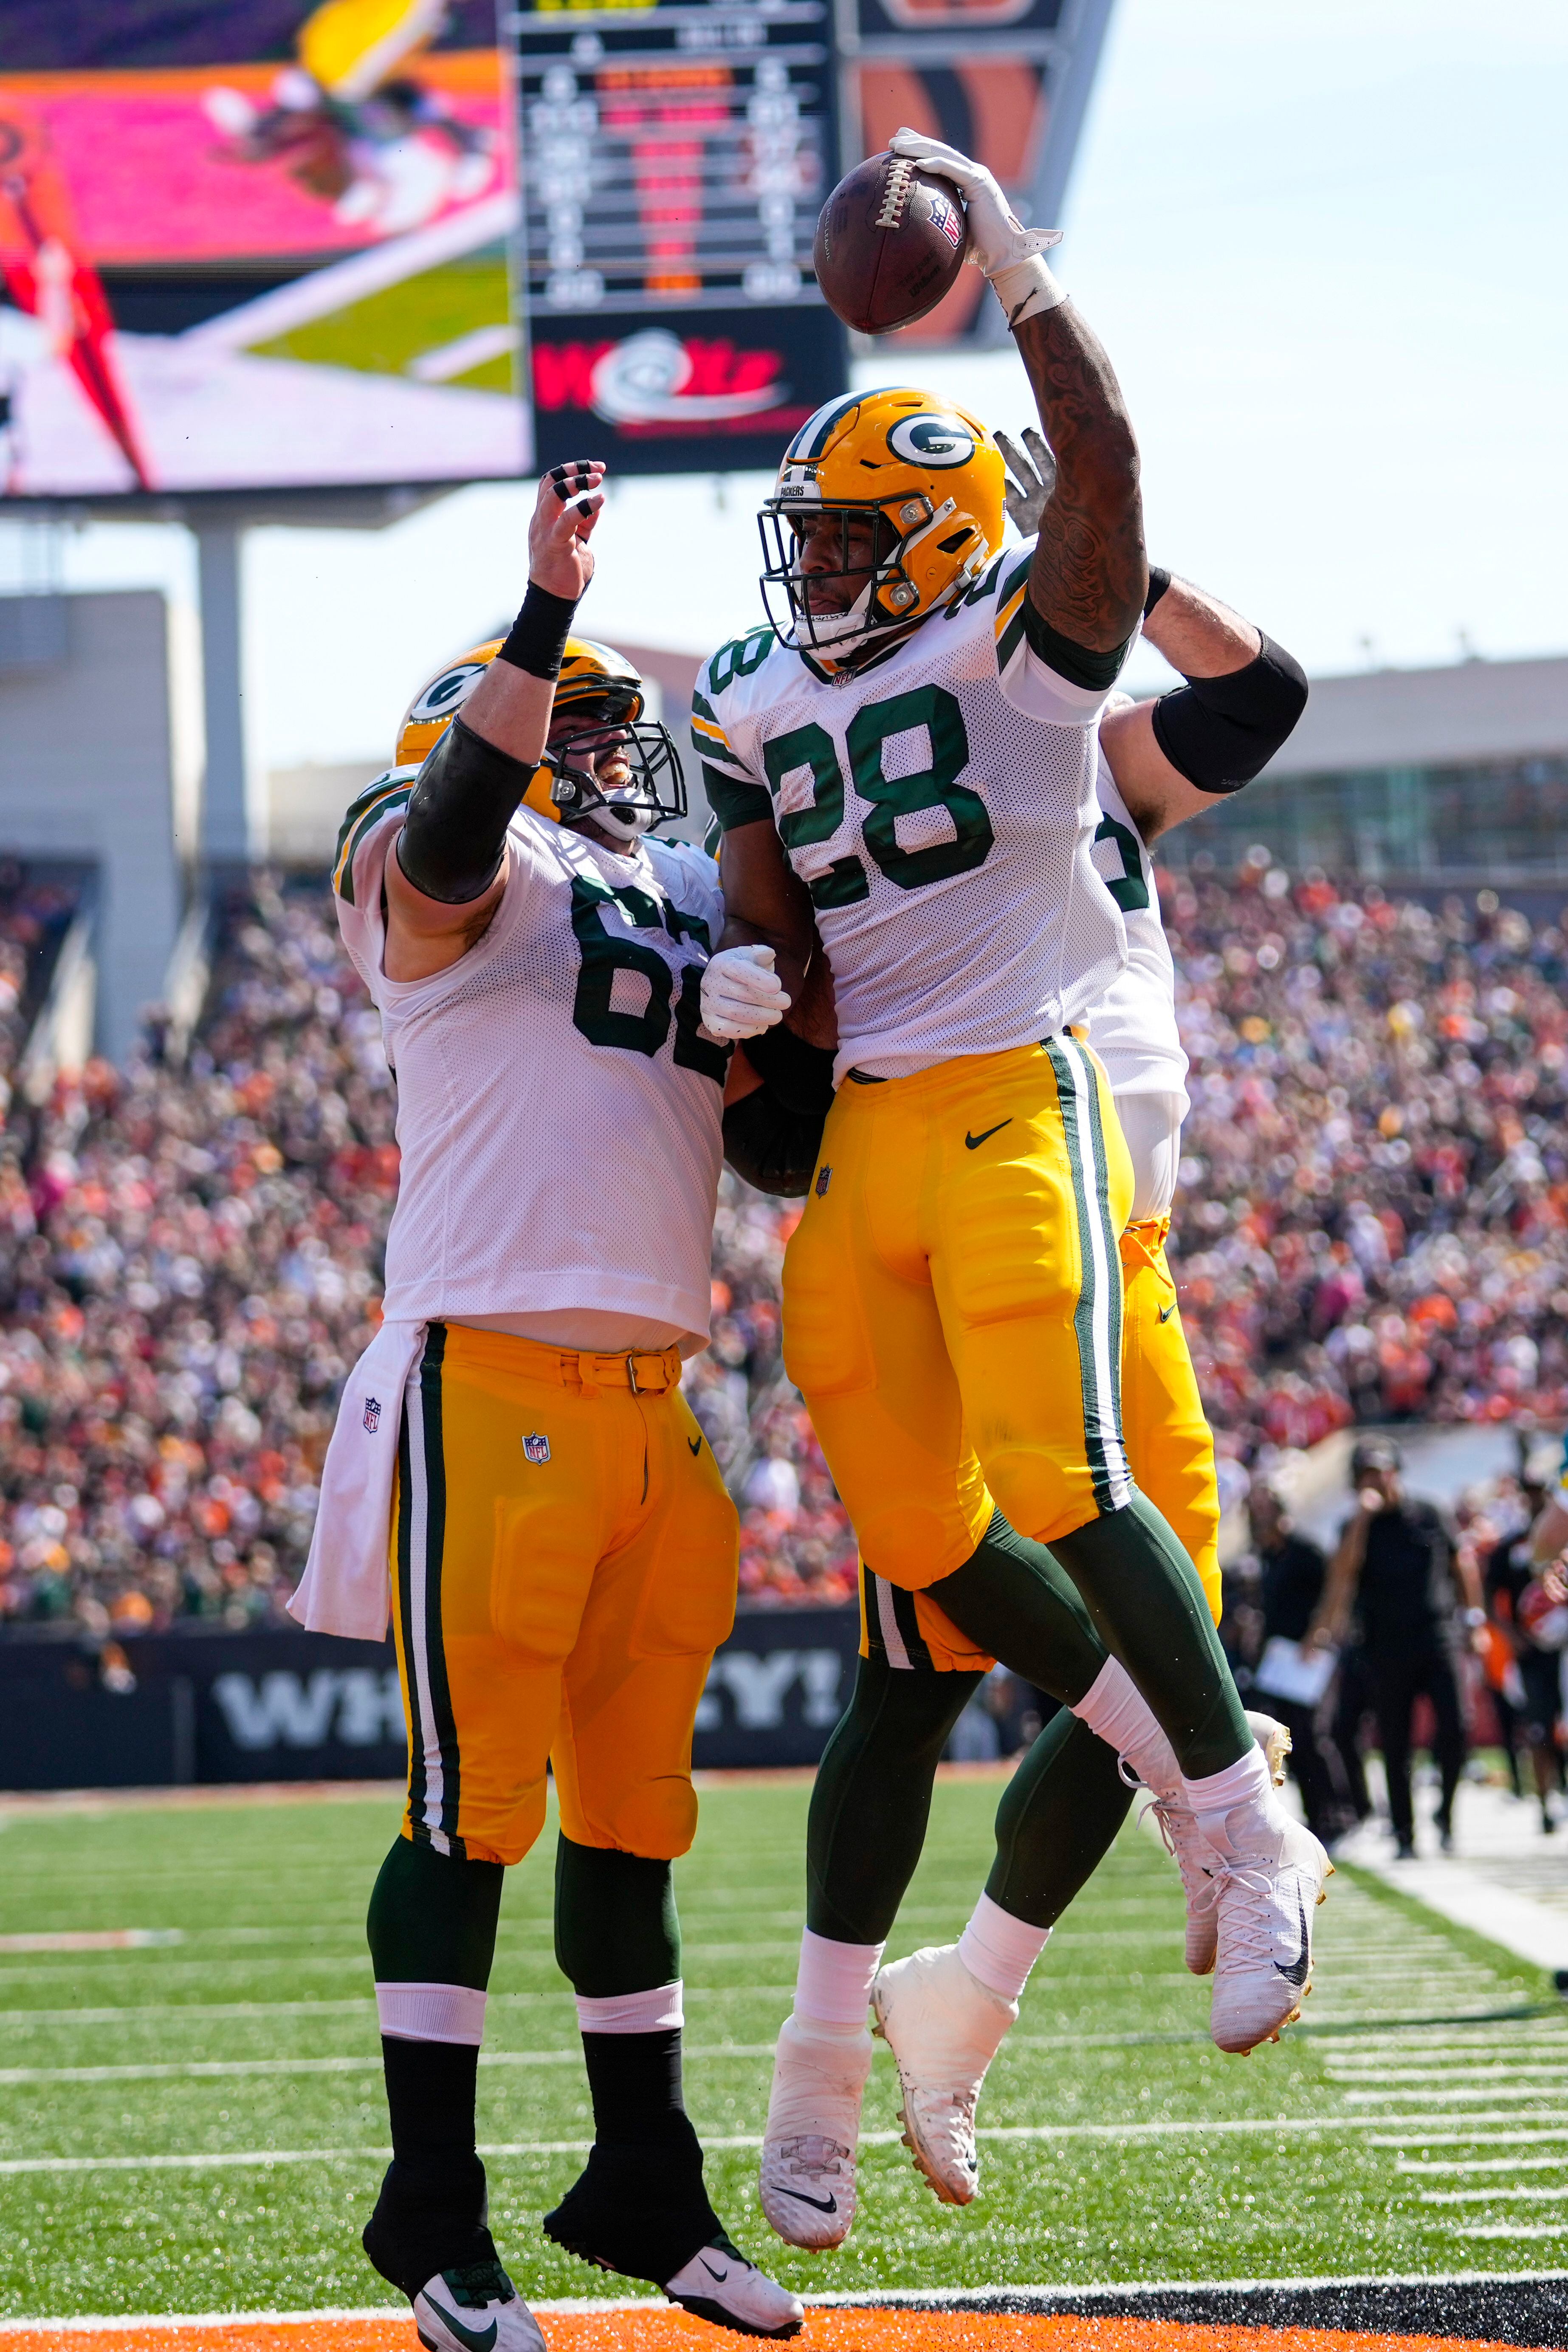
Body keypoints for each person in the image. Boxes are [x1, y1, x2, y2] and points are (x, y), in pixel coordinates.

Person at [694, 123, 1323, 2236]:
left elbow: (1253, 707)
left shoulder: (1058, 713)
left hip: (1064, 1167)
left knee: (1141, 1577)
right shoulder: (796, 691)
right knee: (934, 1629)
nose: (820, 573)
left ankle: (1000, 1975)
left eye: (865, 540)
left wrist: (1102, 536)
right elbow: (775, 905)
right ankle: (887, 2020)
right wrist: (753, 1020)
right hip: (924, 1153)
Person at [290, 461, 803, 2349]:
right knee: (470, 1807)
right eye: (569, 728)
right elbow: (444, 855)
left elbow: (788, 1146)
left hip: (668, 1396)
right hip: (487, 1370)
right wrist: (541, 613)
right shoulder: (435, 861)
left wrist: (782, 1010)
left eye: (609, 732)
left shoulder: (671, 890)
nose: (607, 759)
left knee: (642, 1811)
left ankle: (643, 2182)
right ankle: (429, 2209)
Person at [1309, 1436, 1481, 1858]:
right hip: (1384, 1646)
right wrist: (1362, 1522)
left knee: (1455, 1725)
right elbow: (1343, 1575)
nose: (1375, 1481)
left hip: (1436, 1634)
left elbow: (1461, 1563)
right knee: (1395, 1740)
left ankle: (1445, 1812)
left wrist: (1473, 1618)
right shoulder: (1353, 1528)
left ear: (1395, 1471)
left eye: (1380, 1471)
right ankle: (1404, 1833)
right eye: (1365, 1474)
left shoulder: (1429, 1513)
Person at [1244, 1480, 1346, 1844]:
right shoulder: (1267, 1555)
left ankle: (1336, 1813)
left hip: (1307, 1657)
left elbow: (1335, 1594)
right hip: (1277, 1660)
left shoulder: (1306, 1552)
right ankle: (1316, 1813)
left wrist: (1318, 1635)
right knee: (1288, 1741)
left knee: (1313, 1736)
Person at [1485, 1451, 1566, 1833]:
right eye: (1529, 1491)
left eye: (1540, 1491)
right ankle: (1546, 1801)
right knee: (1538, 1727)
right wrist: (1512, 1635)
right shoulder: (1510, 1547)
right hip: (1532, 1651)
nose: (1535, 1498)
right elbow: (1490, 1598)